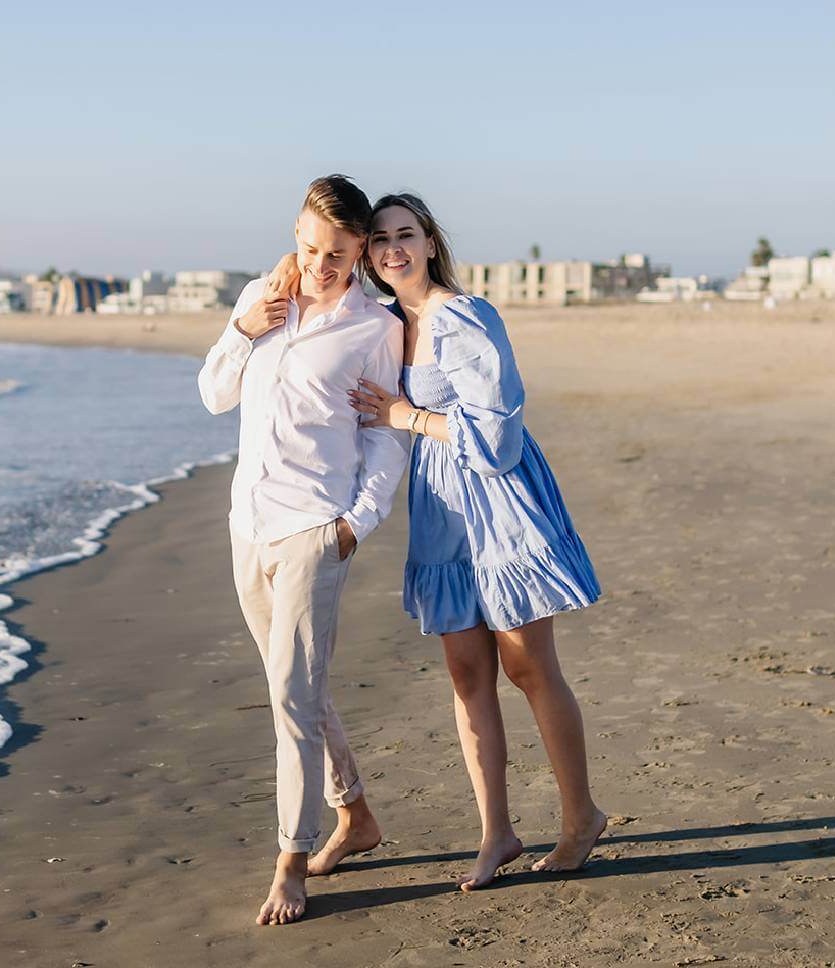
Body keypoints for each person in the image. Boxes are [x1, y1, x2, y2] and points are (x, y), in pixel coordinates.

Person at [266, 192, 605, 891]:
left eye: (405, 235)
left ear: (428, 242)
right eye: (380, 239)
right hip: (440, 508)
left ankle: (579, 820)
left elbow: (499, 437)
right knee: (465, 674)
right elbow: (307, 291)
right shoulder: (389, 322)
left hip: (499, 502)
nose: (392, 249)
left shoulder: (463, 316)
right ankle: (496, 834)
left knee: (528, 668)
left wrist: (405, 414)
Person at [198, 175, 410, 925]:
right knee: (298, 686)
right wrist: (245, 328)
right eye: (310, 248)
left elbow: (383, 435)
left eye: (338, 253)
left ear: (359, 252)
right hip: (245, 525)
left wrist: (356, 521)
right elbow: (213, 394)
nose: (320, 265)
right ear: (296, 236)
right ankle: (357, 816)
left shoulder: (375, 327)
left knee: (289, 700)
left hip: (312, 531)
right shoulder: (261, 296)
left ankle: (290, 861)